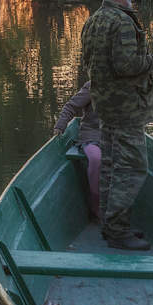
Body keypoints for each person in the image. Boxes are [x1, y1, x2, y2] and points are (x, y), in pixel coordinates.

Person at [80, 0, 153, 250]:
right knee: (133, 166)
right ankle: (118, 231)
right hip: (126, 109)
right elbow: (126, 65)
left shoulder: (93, 20)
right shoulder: (122, 22)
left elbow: (88, 63)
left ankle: (110, 226)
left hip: (104, 107)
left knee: (111, 165)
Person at [53, 81, 102, 217]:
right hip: (91, 135)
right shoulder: (93, 85)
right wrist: (61, 125)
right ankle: (96, 205)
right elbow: (71, 106)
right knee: (96, 159)